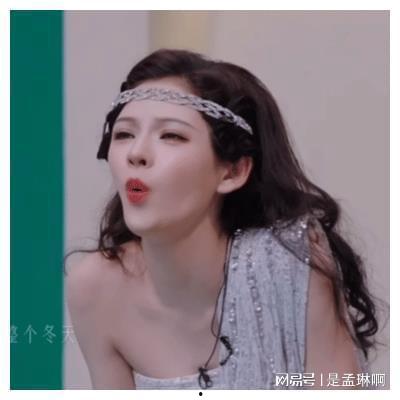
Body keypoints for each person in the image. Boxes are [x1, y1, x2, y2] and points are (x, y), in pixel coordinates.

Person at [64, 48, 380, 390]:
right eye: (124, 134)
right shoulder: (95, 288)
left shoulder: (289, 260)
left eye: (171, 135)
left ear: (233, 171)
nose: (136, 153)